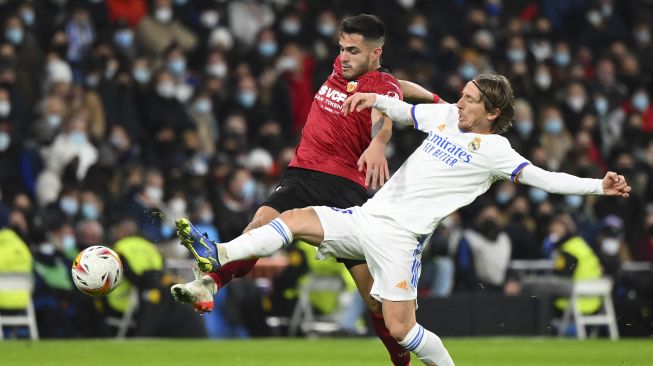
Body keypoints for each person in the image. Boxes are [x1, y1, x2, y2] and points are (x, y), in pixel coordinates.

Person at [172, 73, 631, 365]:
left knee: (401, 329)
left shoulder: (495, 151)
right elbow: (400, 110)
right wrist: (371, 97)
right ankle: (222, 252)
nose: (461, 102)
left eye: (471, 100)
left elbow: (547, 180)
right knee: (293, 219)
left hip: (401, 241)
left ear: (493, 113)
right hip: (367, 217)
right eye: (463, 94)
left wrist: (598, 186)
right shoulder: (447, 116)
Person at [172, 14, 438, 366]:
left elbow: (385, 114)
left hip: (345, 189)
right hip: (301, 175)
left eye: (354, 51)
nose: (344, 57)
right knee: (257, 230)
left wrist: (379, 144)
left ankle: (401, 361)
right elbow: (402, 85)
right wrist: (434, 98)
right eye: (342, 48)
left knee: (375, 300)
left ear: (376, 54)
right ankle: (209, 283)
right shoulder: (347, 69)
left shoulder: (379, 83)